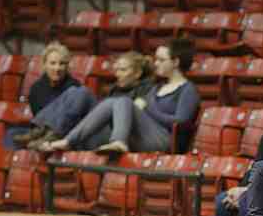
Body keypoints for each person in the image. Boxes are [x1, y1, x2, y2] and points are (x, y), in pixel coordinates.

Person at [44, 39, 200, 155]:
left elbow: (181, 121)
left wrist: (148, 109)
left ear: (176, 62)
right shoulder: (157, 87)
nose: (156, 63)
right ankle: (68, 140)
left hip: (165, 141)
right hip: (144, 136)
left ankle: (118, 141)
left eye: (161, 60)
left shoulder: (187, 89)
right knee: (112, 101)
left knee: (124, 101)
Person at [40, 52, 155, 153]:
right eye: (117, 70)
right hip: (99, 131)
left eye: (123, 70)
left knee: (84, 94)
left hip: (120, 135)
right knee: (76, 92)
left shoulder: (147, 89)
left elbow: (134, 119)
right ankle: (41, 131)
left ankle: (54, 137)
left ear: (137, 73)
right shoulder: (116, 88)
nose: (117, 74)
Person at [13, 42, 96, 148]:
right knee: (11, 134)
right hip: (43, 131)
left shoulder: (75, 88)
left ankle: (47, 139)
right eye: (53, 63)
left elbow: (76, 121)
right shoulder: (36, 88)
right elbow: (38, 115)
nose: (57, 68)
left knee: (81, 91)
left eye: (62, 64)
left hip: (69, 132)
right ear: (44, 65)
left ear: (67, 66)